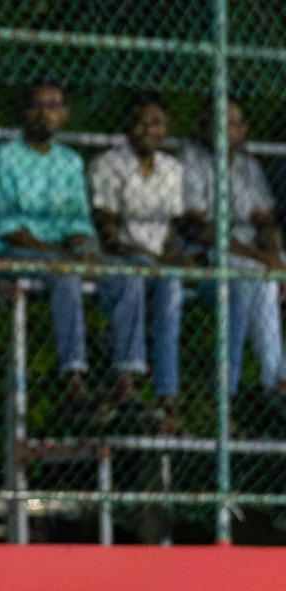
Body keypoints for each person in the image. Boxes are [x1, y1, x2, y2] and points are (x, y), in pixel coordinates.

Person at [0, 81, 98, 406]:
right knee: (65, 273)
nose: (45, 113)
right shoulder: (4, 157)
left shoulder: (70, 162)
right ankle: (74, 379)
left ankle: (126, 385)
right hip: (4, 254)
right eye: (38, 105)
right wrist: (63, 255)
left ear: (65, 114)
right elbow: (8, 228)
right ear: (25, 111)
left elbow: (77, 221)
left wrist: (84, 248)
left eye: (53, 106)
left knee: (120, 275)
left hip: (57, 255)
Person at [178, 101, 286, 411]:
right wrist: (264, 259)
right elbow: (201, 227)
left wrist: (275, 254)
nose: (228, 129)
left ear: (244, 129)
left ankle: (280, 379)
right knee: (257, 279)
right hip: (211, 252)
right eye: (219, 121)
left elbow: (266, 221)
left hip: (253, 253)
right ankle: (267, 383)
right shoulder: (192, 159)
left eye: (234, 122)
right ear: (203, 127)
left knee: (266, 275)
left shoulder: (248, 166)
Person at [88, 93, 187, 428]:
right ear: (128, 127)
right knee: (132, 276)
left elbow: (170, 232)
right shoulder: (108, 164)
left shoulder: (172, 169)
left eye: (157, 122)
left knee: (171, 285)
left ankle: (166, 394)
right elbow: (106, 227)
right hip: (117, 259)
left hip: (157, 263)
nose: (150, 129)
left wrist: (176, 259)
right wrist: (141, 254)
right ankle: (126, 384)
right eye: (143, 121)